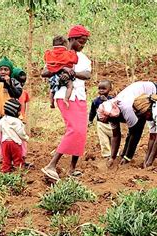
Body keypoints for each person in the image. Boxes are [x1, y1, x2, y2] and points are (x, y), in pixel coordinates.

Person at [40, 25, 91, 181]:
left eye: (85, 42)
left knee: (81, 132)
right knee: (74, 129)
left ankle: (72, 169)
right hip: (64, 95)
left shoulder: (83, 58)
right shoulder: (57, 54)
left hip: (80, 96)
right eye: (81, 42)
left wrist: (73, 72)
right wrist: (61, 68)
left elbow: (87, 75)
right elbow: (45, 72)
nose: (83, 45)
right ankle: (51, 165)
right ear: (72, 39)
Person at [97, 81, 157, 167]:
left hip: (152, 92)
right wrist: (112, 157)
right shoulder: (112, 111)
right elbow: (116, 135)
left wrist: (127, 157)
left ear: (113, 116)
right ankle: (125, 156)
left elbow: (135, 134)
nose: (109, 123)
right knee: (138, 128)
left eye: (108, 121)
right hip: (137, 99)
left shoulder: (126, 108)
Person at [0, 56, 22, 156]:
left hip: (14, 117)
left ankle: (19, 157)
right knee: (3, 138)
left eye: (6, 70)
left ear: (10, 71)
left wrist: (9, 84)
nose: (3, 72)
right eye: (1, 69)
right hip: (0, 117)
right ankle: (5, 158)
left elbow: (17, 94)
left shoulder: (14, 82)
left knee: (16, 137)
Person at [44, 35, 79, 109]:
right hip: (64, 74)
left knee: (52, 89)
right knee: (70, 86)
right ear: (64, 44)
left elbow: (46, 60)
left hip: (54, 75)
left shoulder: (49, 53)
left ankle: (51, 102)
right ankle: (66, 99)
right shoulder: (68, 54)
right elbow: (75, 60)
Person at [0, 99, 29, 173]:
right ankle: (19, 171)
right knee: (17, 158)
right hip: (14, 143)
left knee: (6, 159)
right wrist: (26, 138)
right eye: (19, 111)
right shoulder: (17, 121)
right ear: (15, 112)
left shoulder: (2, 120)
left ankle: (5, 170)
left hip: (5, 143)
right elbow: (21, 133)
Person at [88, 80, 114, 158]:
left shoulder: (112, 100)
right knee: (103, 140)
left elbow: (115, 110)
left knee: (114, 139)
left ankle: (114, 153)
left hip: (111, 124)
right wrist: (90, 120)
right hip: (101, 124)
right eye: (99, 88)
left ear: (110, 89)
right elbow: (92, 112)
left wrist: (107, 101)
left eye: (104, 88)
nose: (101, 90)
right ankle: (106, 154)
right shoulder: (95, 101)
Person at [11, 67, 31, 165]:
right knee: (13, 140)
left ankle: (22, 159)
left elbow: (25, 106)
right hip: (12, 120)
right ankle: (13, 160)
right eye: (19, 82)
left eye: (23, 83)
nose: (21, 85)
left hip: (21, 120)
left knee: (22, 141)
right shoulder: (10, 92)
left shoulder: (25, 93)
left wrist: (24, 118)